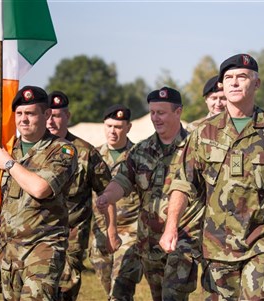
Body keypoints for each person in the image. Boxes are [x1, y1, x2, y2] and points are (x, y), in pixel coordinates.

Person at [159, 54, 264, 300]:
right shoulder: (203, 133)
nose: (234, 83)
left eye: (242, 77)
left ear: (257, 83)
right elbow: (182, 183)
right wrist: (170, 227)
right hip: (217, 246)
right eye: (228, 78)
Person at [96, 87, 204, 301]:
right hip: (149, 242)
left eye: (161, 113)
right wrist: (107, 196)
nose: (155, 118)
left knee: (172, 295)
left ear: (178, 112)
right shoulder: (141, 150)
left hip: (184, 240)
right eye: (153, 112)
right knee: (159, 296)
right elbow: (123, 181)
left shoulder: (197, 147)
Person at [0, 86, 78, 300]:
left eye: (30, 113)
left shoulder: (62, 150)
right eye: (19, 113)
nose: (23, 119)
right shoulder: (8, 149)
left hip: (42, 250)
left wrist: (9, 164)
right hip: (8, 253)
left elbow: (41, 188)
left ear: (46, 115)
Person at [46, 91, 111, 300]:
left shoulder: (85, 152)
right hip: (37, 234)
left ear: (68, 117)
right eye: (48, 115)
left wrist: (111, 230)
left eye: (57, 115)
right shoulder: (32, 150)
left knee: (64, 292)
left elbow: (106, 191)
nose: (51, 121)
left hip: (70, 239)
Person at [89, 104, 143, 300]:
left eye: (118, 127)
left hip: (131, 229)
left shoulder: (139, 155)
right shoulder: (93, 156)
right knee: (107, 282)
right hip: (101, 230)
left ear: (128, 127)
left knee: (120, 288)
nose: (113, 131)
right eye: (109, 126)